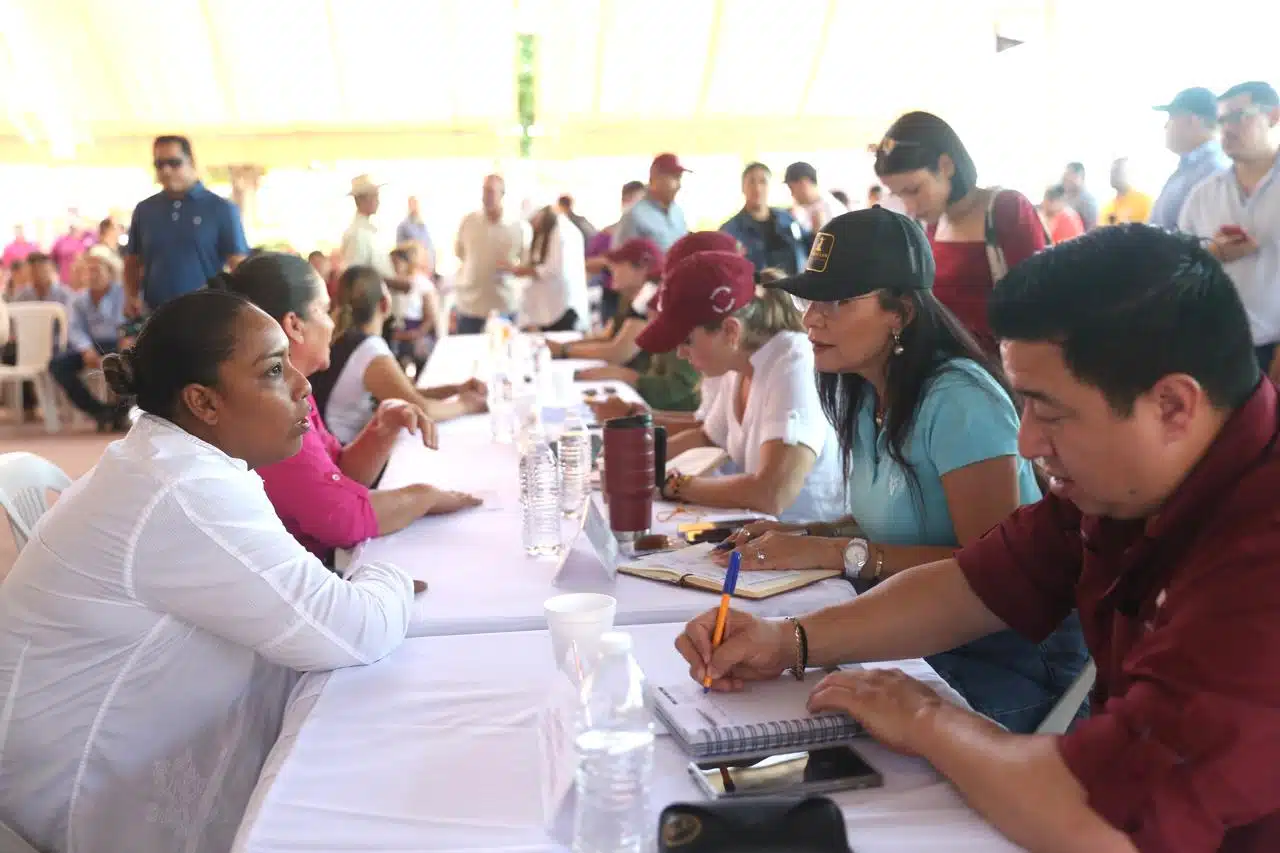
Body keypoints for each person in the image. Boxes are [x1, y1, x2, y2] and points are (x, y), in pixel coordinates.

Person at [677, 224, 1280, 851]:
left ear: (1175, 407)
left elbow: (1097, 821)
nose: (1026, 443)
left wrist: (926, 719)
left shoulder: (1260, 564)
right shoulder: (1123, 482)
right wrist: (788, 640)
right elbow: (974, 583)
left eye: (1050, 411)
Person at [0, 288, 418, 853]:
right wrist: (388, 576)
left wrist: (352, 590)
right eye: (274, 370)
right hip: (74, 803)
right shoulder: (182, 488)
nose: (302, 386)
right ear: (204, 402)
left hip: (85, 764)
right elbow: (354, 632)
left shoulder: (173, 460)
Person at [720, 208, 1085, 732]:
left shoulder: (959, 399)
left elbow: (993, 574)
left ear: (901, 313)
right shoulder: (866, 390)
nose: (810, 319)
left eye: (837, 300)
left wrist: (831, 552)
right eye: (810, 300)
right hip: (921, 639)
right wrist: (800, 534)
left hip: (1004, 663)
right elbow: (890, 521)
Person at [212, 253, 481, 564]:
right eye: (326, 311)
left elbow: (338, 473)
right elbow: (340, 518)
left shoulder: (293, 388)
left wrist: (383, 427)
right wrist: (424, 496)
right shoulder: (268, 408)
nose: (334, 322)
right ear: (294, 325)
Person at [637, 251, 845, 522]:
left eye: (687, 340)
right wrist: (636, 464)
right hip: (764, 541)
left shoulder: (794, 365)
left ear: (731, 332)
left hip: (807, 549)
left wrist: (675, 485)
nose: (680, 353)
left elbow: (772, 493)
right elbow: (708, 436)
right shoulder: (737, 367)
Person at [874, 111, 1047, 354]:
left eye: (914, 190)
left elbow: (1040, 307)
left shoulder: (1005, 209)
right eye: (899, 195)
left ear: (946, 166)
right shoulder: (930, 225)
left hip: (1001, 375)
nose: (910, 207)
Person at [313, 263, 486, 444]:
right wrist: (468, 405)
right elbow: (422, 409)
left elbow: (404, 393)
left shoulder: (344, 339)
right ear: (385, 303)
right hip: (343, 454)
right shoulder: (369, 350)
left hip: (336, 447)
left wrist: (456, 390)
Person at [1179, 80, 1280, 378]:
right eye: (1223, 120)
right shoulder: (1204, 195)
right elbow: (1180, 266)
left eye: (1239, 116)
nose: (1228, 128)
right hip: (1217, 350)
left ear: (1274, 116)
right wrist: (1213, 253)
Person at [557, 237, 701, 412]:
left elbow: (618, 352)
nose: (611, 269)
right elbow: (608, 337)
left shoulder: (651, 297)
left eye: (619, 263)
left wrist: (564, 350)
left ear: (642, 267)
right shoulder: (639, 299)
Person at [124, 135, 248, 315]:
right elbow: (132, 261)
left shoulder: (221, 209)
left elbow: (238, 264)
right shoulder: (145, 210)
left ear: (191, 162)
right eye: (159, 164)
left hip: (207, 314)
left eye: (174, 163)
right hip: (154, 316)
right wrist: (131, 296)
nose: (166, 170)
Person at [49, 245, 128, 431]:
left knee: (134, 365)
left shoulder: (122, 293)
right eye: (88, 270)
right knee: (58, 365)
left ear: (109, 271)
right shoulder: (79, 299)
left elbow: (126, 323)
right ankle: (99, 411)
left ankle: (120, 414)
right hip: (91, 346)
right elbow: (74, 329)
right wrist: (86, 349)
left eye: (96, 270)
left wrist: (126, 340)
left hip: (119, 343)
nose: (91, 275)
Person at [1150, 87, 1231, 230]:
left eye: (1171, 118)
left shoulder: (1214, 171)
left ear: (1191, 120)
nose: (1165, 126)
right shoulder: (1188, 168)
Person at [453, 174, 525, 334]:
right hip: (470, 305)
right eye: (484, 191)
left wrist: (510, 268)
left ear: (502, 194)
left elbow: (524, 263)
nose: (486, 197)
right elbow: (460, 253)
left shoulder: (516, 226)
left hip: (503, 303)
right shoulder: (469, 222)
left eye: (491, 192)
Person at [512, 203, 590, 332]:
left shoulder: (562, 231)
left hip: (563, 308)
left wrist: (523, 271)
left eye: (533, 220)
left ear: (542, 214)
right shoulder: (543, 232)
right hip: (547, 308)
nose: (532, 225)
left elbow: (552, 269)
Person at [719, 162, 807, 275]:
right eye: (751, 182)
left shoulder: (788, 220)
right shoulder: (730, 231)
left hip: (790, 289)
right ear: (742, 187)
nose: (757, 188)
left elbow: (807, 247)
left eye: (763, 182)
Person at [586, 180, 647, 323]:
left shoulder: (648, 235)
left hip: (638, 294)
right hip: (612, 296)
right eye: (631, 200)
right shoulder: (605, 235)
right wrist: (611, 263)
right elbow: (588, 264)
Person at [613, 153, 690, 251]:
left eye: (679, 178)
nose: (679, 185)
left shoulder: (678, 212)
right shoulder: (634, 216)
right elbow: (621, 260)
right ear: (655, 178)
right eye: (674, 178)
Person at [389, 245, 440, 372]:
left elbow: (430, 318)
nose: (394, 267)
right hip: (399, 331)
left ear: (408, 262)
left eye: (397, 262)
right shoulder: (394, 283)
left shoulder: (422, 284)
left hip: (417, 333)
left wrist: (415, 334)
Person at [783, 161, 847, 235]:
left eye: (791, 188)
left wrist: (816, 233)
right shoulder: (801, 209)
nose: (792, 194)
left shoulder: (833, 209)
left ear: (804, 183)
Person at [1098, 157, 1153, 226]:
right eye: (1111, 172)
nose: (1113, 175)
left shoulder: (1144, 201)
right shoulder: (1107, 207)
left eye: (1117, 171)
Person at [49, 210, 95, 285]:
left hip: (81, 282)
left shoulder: (87, 240)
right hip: (64, 281)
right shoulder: (61, 241)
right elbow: (52, 259)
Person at [395, 195, 434, 263]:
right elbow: (398, 247)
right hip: (412, 265)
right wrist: (412, 244)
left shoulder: (423, 225)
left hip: (427, 265)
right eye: (413, 203)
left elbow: (428, 245)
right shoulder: (403, 226)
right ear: (409, 205)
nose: (415, 206)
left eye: (416, 203)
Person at [1061, 162, 1098, 231]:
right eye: (1065, 176)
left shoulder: (1088, 201)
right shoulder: (1064, 198)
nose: (1065, 179)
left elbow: (1091, 230)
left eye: (1070, 175)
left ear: (1081, 177)